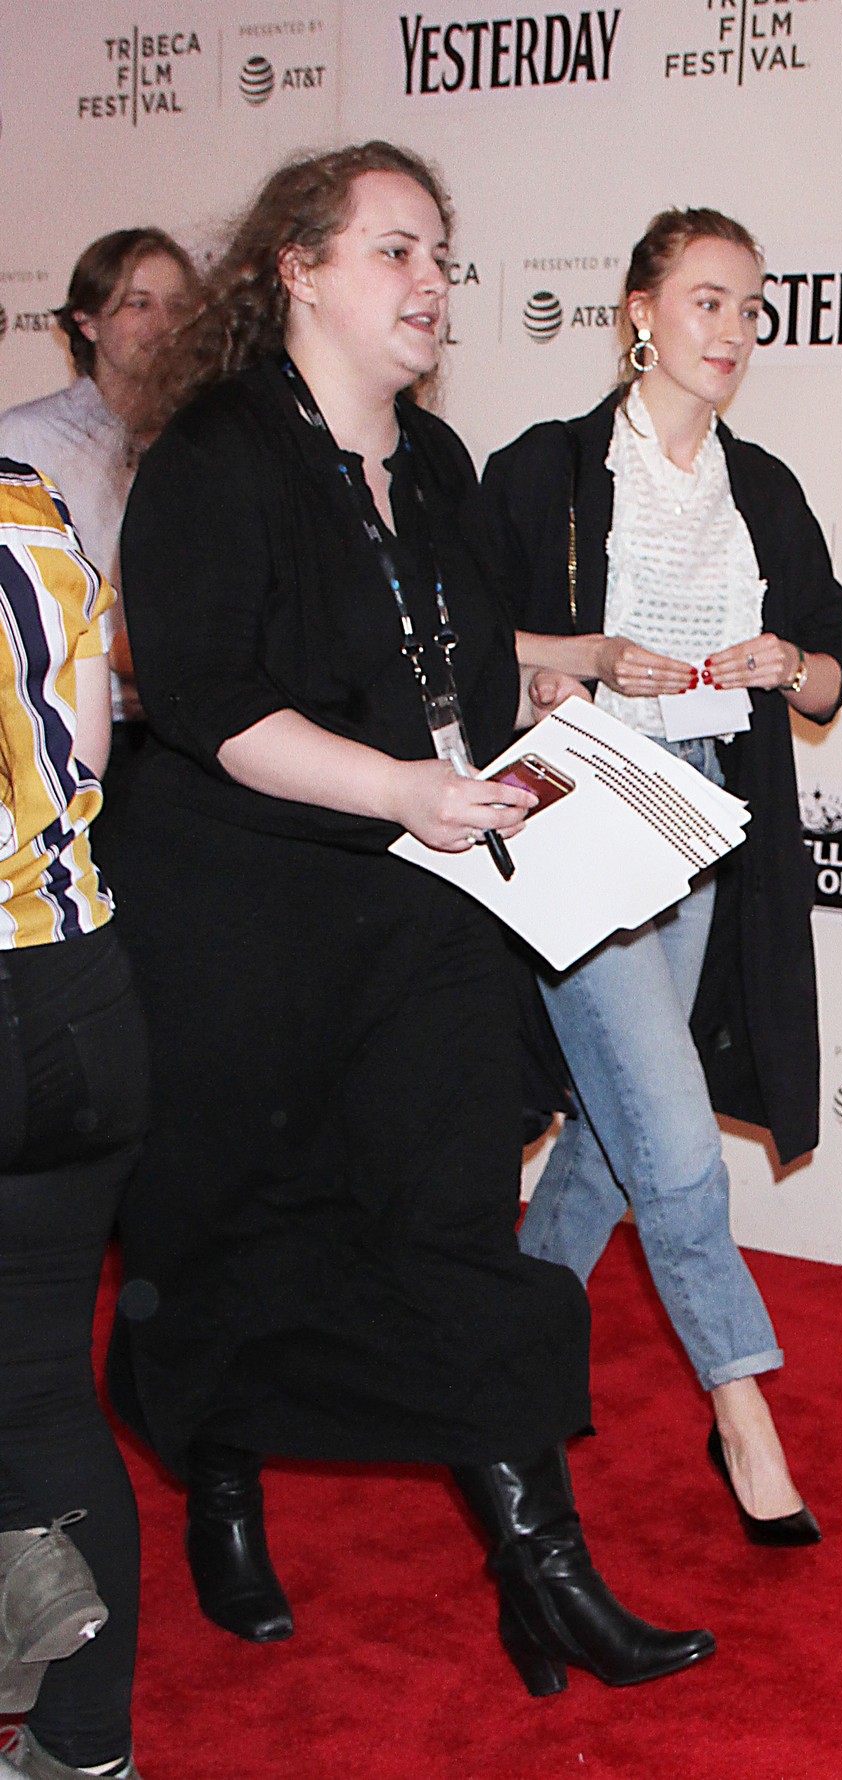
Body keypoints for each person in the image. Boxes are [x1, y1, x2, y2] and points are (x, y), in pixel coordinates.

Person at [104, 142, 714, 1698]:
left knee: (451, 1222)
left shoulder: (433, 465)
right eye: (395, 251)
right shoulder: (215, 455)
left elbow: (440, 653)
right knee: (236, 1221)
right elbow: (209, 699)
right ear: (297, 270)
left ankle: (541, 1568)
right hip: (238, 917)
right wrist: (401, 785)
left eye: (441, 253)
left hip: (418, 898)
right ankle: (222, 1488)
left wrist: (553, 675)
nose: (433, 281)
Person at [478, 207, 842, 1544]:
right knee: (679, 1144)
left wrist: (781, 665)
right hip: (578, 834)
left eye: (750, 307)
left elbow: (827, 664)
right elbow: (467, 639)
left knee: (608, 1133)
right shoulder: (548, 470)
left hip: (704, 839)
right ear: (638, 311)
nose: (733, 332)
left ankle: (489, 1379)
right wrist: (584, 654)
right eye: (706, 302)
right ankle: (743, 1405)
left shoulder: (766, 490)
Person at [0, 458, 149, 1778]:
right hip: (81, 992)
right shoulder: (32, 506)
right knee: (43, 1382)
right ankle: (82, 1749)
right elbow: (92, 746)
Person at [0, 230, 201, 810]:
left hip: (187, 743)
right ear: (87, 322)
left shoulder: (212, 444)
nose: (164, 325)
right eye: (139, 304)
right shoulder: (29, 441)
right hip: (62, 738)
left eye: (179, 307)